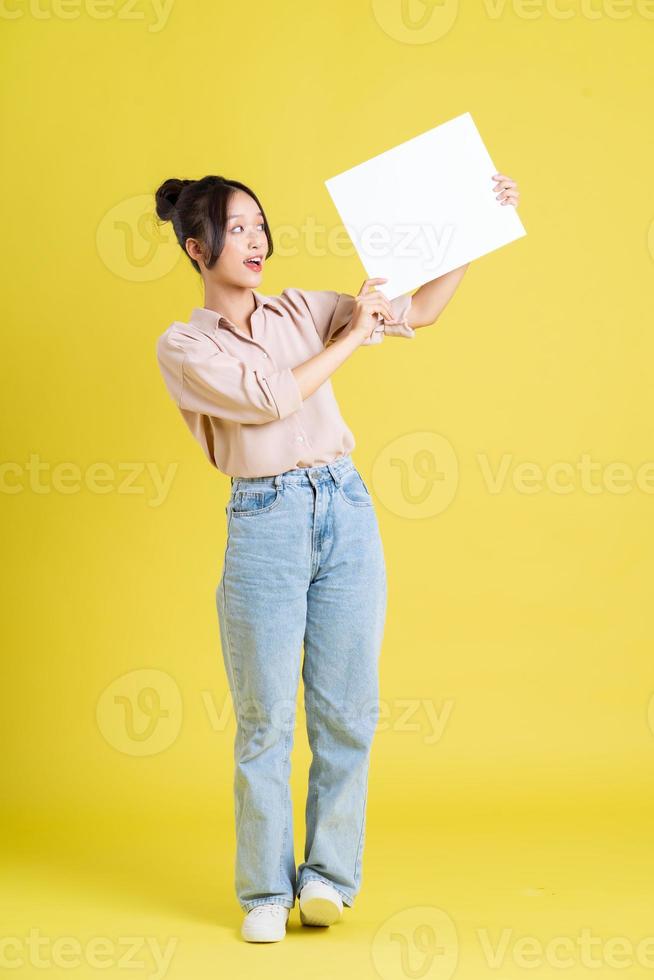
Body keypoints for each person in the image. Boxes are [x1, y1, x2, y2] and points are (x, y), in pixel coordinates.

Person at [154, 173, 520, 943]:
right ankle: (262, 890)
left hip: (344, 507)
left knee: (347, 711)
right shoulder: (184, 345)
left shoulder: (300, 308)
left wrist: (474, 225)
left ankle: (326, 879)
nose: (255, 241)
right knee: (263, 719)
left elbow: (417, 309)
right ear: (197, 247)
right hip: (265, 520)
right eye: (236, 228)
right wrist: (352, 334)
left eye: (259, 225)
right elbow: (268, 398)